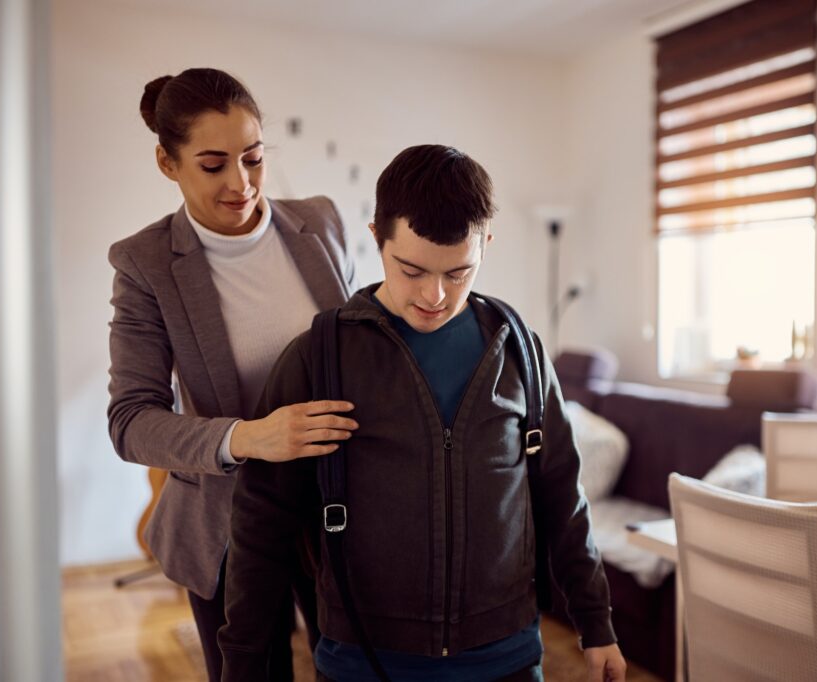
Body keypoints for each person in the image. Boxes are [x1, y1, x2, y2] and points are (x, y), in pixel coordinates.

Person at [219, 144, 627, 682]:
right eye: (410, 270)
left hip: (507, 660)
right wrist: (243, 666)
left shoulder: (520, 351)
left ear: (486, 246)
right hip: (361, 661)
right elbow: (261, 526)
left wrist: (596, 624)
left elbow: (561, 499)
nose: (434, 295)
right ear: (376, 239)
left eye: (459, 273)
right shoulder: (319, 358)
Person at [106, 67, 360, 681]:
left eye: (253, 158)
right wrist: (246, 437)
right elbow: (130, 421)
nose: (241, 184)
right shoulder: (144, 264)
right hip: (228, 525)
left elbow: (355, 354)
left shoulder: (320, 223)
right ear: (169, 164)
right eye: (214, 164)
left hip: (339, 511)